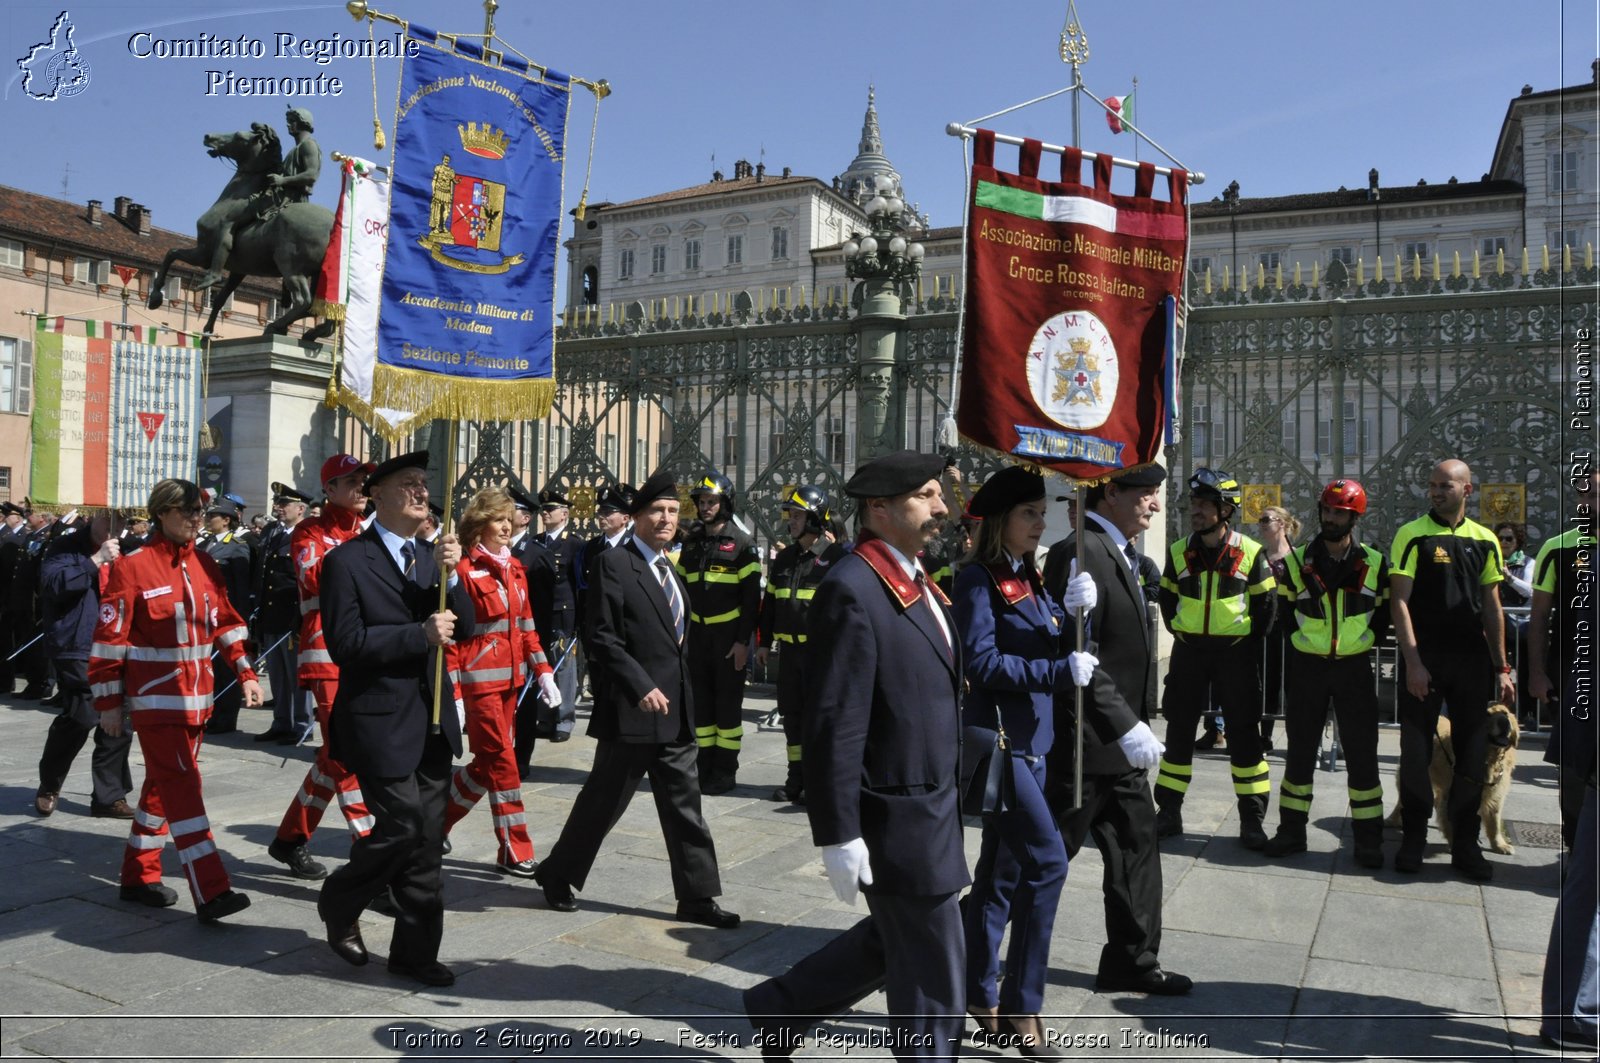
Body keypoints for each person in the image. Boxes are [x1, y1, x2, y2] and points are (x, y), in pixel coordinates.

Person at [745, 451, 968, 1061]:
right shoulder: (853, 588)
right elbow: (836, 723)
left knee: (895, 940)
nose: (942, 507)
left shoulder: (916, 579)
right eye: (927, 495)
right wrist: (839, 833)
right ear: (880, 508)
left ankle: (781, 1008)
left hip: (932, 801)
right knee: (933, 969)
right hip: (896, 809)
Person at [533, 472, 738, 930]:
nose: (666, 519)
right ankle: (558, 873)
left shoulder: (669, 566)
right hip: (633, 710)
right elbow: (601, 637)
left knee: (686, 806)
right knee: (603, 802)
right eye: (656, 511)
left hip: (675, 711)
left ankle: (698, 897)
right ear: (637, 518)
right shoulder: (615, 564)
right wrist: (640, 685)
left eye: (672, 511)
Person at [316, 450, 473, 986]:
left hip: (432, 718)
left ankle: (415, 953)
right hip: (378, 718)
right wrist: (417, 635)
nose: (419, 491)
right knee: (402, 825)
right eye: (406, 483)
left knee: (427, 840)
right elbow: (346, 643)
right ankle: (340, 900)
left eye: (422, 483)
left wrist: (457, 571)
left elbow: (468, 625)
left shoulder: (433, 557)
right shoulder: (345, 562)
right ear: (375, 495)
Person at [954, 466, 1092, 1051]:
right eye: (1029, 514)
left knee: (1001, 878)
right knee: (1049, 863)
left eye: (1043, 513)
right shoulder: (977, 579)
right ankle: (1021, 1005)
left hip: (1033, 743)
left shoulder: (1029, 577)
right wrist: (1058, 670)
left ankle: (976, 988)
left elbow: (1050, 643)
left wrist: (1074, 616)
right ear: (1001, 522)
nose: (1042, 522)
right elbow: (980, 663)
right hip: (1001, 743)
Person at [1041, 465, 1191, 997]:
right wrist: (1126, 726)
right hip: (1085, 746)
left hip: (1120, 750)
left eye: (1156, 495)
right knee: (1039, 861)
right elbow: (1079, 654)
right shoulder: (1080, 553)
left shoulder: (1121, 554)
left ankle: (1133, 959)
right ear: (1112, 493)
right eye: (1146, 495)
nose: (1154, 505)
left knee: (1136, 846)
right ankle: (961, 943)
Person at [90, 478, 264, 921]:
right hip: (155, 704)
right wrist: (108, 702)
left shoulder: (206, 563)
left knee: (160, 791)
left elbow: (226, 622)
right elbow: (110, 641)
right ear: (161, 513)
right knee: (185, 789)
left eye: (200, 512)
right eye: (187, 511)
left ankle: (138, 876)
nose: (195, 519)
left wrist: (244, 671)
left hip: (198, 701)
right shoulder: (132, 567)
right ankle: (212, 890)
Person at [1389, 458, 1515, 879]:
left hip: (1471, 663)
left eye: (1445, 485)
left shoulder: (1485, 540)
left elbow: (1493, 606)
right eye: (1432, 485)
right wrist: (1413, 663)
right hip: (1425, 659)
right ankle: (1412, 839)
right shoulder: (1412, 535)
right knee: (1416, 751)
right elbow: (1399, 602)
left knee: (1473, 754)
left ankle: (1465, 842)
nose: (1436, 491)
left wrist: (1502, 668)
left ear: (1467, 490)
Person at [1263, 480, 1391, 868]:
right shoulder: (1297, 562)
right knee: (1299, 753)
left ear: (1354, 517)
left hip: (1353, 667)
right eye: (1327, 510)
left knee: (1362, 755)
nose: (1332, 518)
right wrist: (1305, 641)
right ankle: (1290, 832)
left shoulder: (1373, 562)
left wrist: (1364, 640)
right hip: (1308, 667)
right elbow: (1285, 615)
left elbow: (1383, 615)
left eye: (1340, 512)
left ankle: (1369, 841)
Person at [266, 454, 375, 881]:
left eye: (365, 481)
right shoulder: (311, 532)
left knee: (335, 756)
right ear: (329, 489)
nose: (362, 488)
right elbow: (315, 579)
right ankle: (370, 852)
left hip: (363, 655)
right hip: (327, 655)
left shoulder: (368, 531)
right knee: (346, 754)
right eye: (352, 481)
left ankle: (291, 838)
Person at [1154, 468, 1277, 846]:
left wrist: (1238, 640)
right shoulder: (1178, 551)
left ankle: (1252, 820)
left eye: (1205, 505)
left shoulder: (1251, 552)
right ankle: (1169, 812)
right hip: (1189, 654)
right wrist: (1184, 631)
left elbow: (1266, 609)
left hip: (1235, 657)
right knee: (1177, 734)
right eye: (1194, 504)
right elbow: (1167, 599)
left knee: (1244, 737)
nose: (1196, 511)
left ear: (1226, 511)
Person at [442, 487, 560, 876]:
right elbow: (454, 641)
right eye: (498, 519)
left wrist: (543, 671)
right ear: (479, 524)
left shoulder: (515, 568)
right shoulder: (461, 570)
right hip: (479, 685)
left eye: (509, 518)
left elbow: (527, 629)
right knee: (505, 764)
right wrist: (456, 693)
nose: (507, 525)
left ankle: (433, 822)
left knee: (485, 765)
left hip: (512, 682)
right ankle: (515, 848)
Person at [34, 510, 134, 819]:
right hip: (77, 644)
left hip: (118, 645)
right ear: (94, 517)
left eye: (122, 522)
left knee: (118, 717)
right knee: (84, 713)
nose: (114, 528)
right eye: (108, 520)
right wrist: (95, 562)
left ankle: (109, 796)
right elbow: (53, 586)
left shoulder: (129, 551)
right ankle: (50, 783)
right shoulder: (64, 546)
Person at [755, 484, 846, 805]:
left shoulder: (837, 558)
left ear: (815, 518)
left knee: (819, 720)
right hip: (789, 654)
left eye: (797, 515)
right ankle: (796, 779)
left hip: (821, 655)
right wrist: (764, 642)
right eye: (790, 515)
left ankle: (819, 783)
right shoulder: (785, 558)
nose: (790, 521)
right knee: (792, 718)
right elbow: (771, 604)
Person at [677, 471, 762, 794]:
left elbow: (752, 600)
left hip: (729, 639)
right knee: (700, 706)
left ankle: (725, 771)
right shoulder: (693, 542)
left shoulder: (742, 544)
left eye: (711, 501)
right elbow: (681, 591)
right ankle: (703, 767)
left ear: (725, 502)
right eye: (701, 501)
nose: (705, 506)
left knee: (727, 708)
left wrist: (743, 643)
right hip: (697, 637)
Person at [1529, 471, 1599, 847]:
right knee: (1574, 775)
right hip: (1575, 683)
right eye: (1586, 496)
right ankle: (1576, 849)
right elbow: (1539, 617)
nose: (1590, 502)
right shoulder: (1558, 548)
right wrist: (1537, 673)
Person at [253, 483, 313, 743]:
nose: (278, 508)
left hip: (292, 616)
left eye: (284, 504)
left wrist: (298, 618)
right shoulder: (272, 533)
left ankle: (302, 726)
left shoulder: (306, 533)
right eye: (277, 503)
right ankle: (281, 722)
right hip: (271, 613)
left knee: (296, 677)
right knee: (277, 675)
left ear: (300, 509)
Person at [528, 486, 582, 740]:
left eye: (550, 510)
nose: (545, 514)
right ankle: (545, 717)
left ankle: (564, 718)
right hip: (539, 611)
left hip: (563, 612)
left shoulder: (574, 544)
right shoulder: (535, 542)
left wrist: (579, 618)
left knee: (564, 667)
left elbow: (579, 583)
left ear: (564, 514)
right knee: (541, 664)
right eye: (543, 510)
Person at [200, 499, 256, 734]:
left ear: (226, 520)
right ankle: (213, 713)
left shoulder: (237, 546)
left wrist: (240, 618)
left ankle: (226, 717)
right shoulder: (204, 545)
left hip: (227, 615)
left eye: (213, 516)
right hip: (207, 616)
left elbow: (241, 586)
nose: (207, 519)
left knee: (227, 667)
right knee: (212, 666)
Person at [1255, 505, 1301, 753]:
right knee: (1267, 683)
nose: (1261, 524)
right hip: (1266, 627)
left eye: (1266, 520)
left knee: (1293, 684)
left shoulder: (1296, 556)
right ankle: (1266, 735)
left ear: (1281, 524)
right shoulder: (1258, 556)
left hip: (1291, 627)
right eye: (1260, 520)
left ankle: (1297, 736)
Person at [1494, 521, 1536, 725]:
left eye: (1509, 538)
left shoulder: (1527, 562)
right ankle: (1497, 711)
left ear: (1517, 541)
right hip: (1498, 627)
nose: (1504, 542)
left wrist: (1508, 577)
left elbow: (1529, 590)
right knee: (1497, 669)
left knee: (1525, 670)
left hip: (1521, 627)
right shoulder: (1491, 560)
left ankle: (1528, 713)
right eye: (1500, 538)